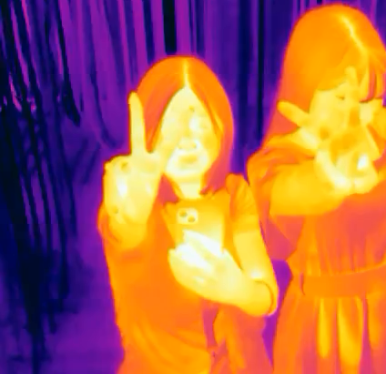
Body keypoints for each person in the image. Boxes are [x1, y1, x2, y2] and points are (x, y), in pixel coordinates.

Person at [247, 3, 386, 373]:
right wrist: (329, 178)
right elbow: (289, 193)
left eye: (369, 98)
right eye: (340, 96)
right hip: (325, 328)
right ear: (305, 86)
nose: (357, 115)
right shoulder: (278, 160)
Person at [98, 56, 278, 374]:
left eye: (201, 126)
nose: (187, 143)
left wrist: (237, 289)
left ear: (222, 127)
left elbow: (266, 295)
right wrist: (131, 215)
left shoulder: (235, 194)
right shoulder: (133, 202)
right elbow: (124, 234)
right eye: (172, 131)